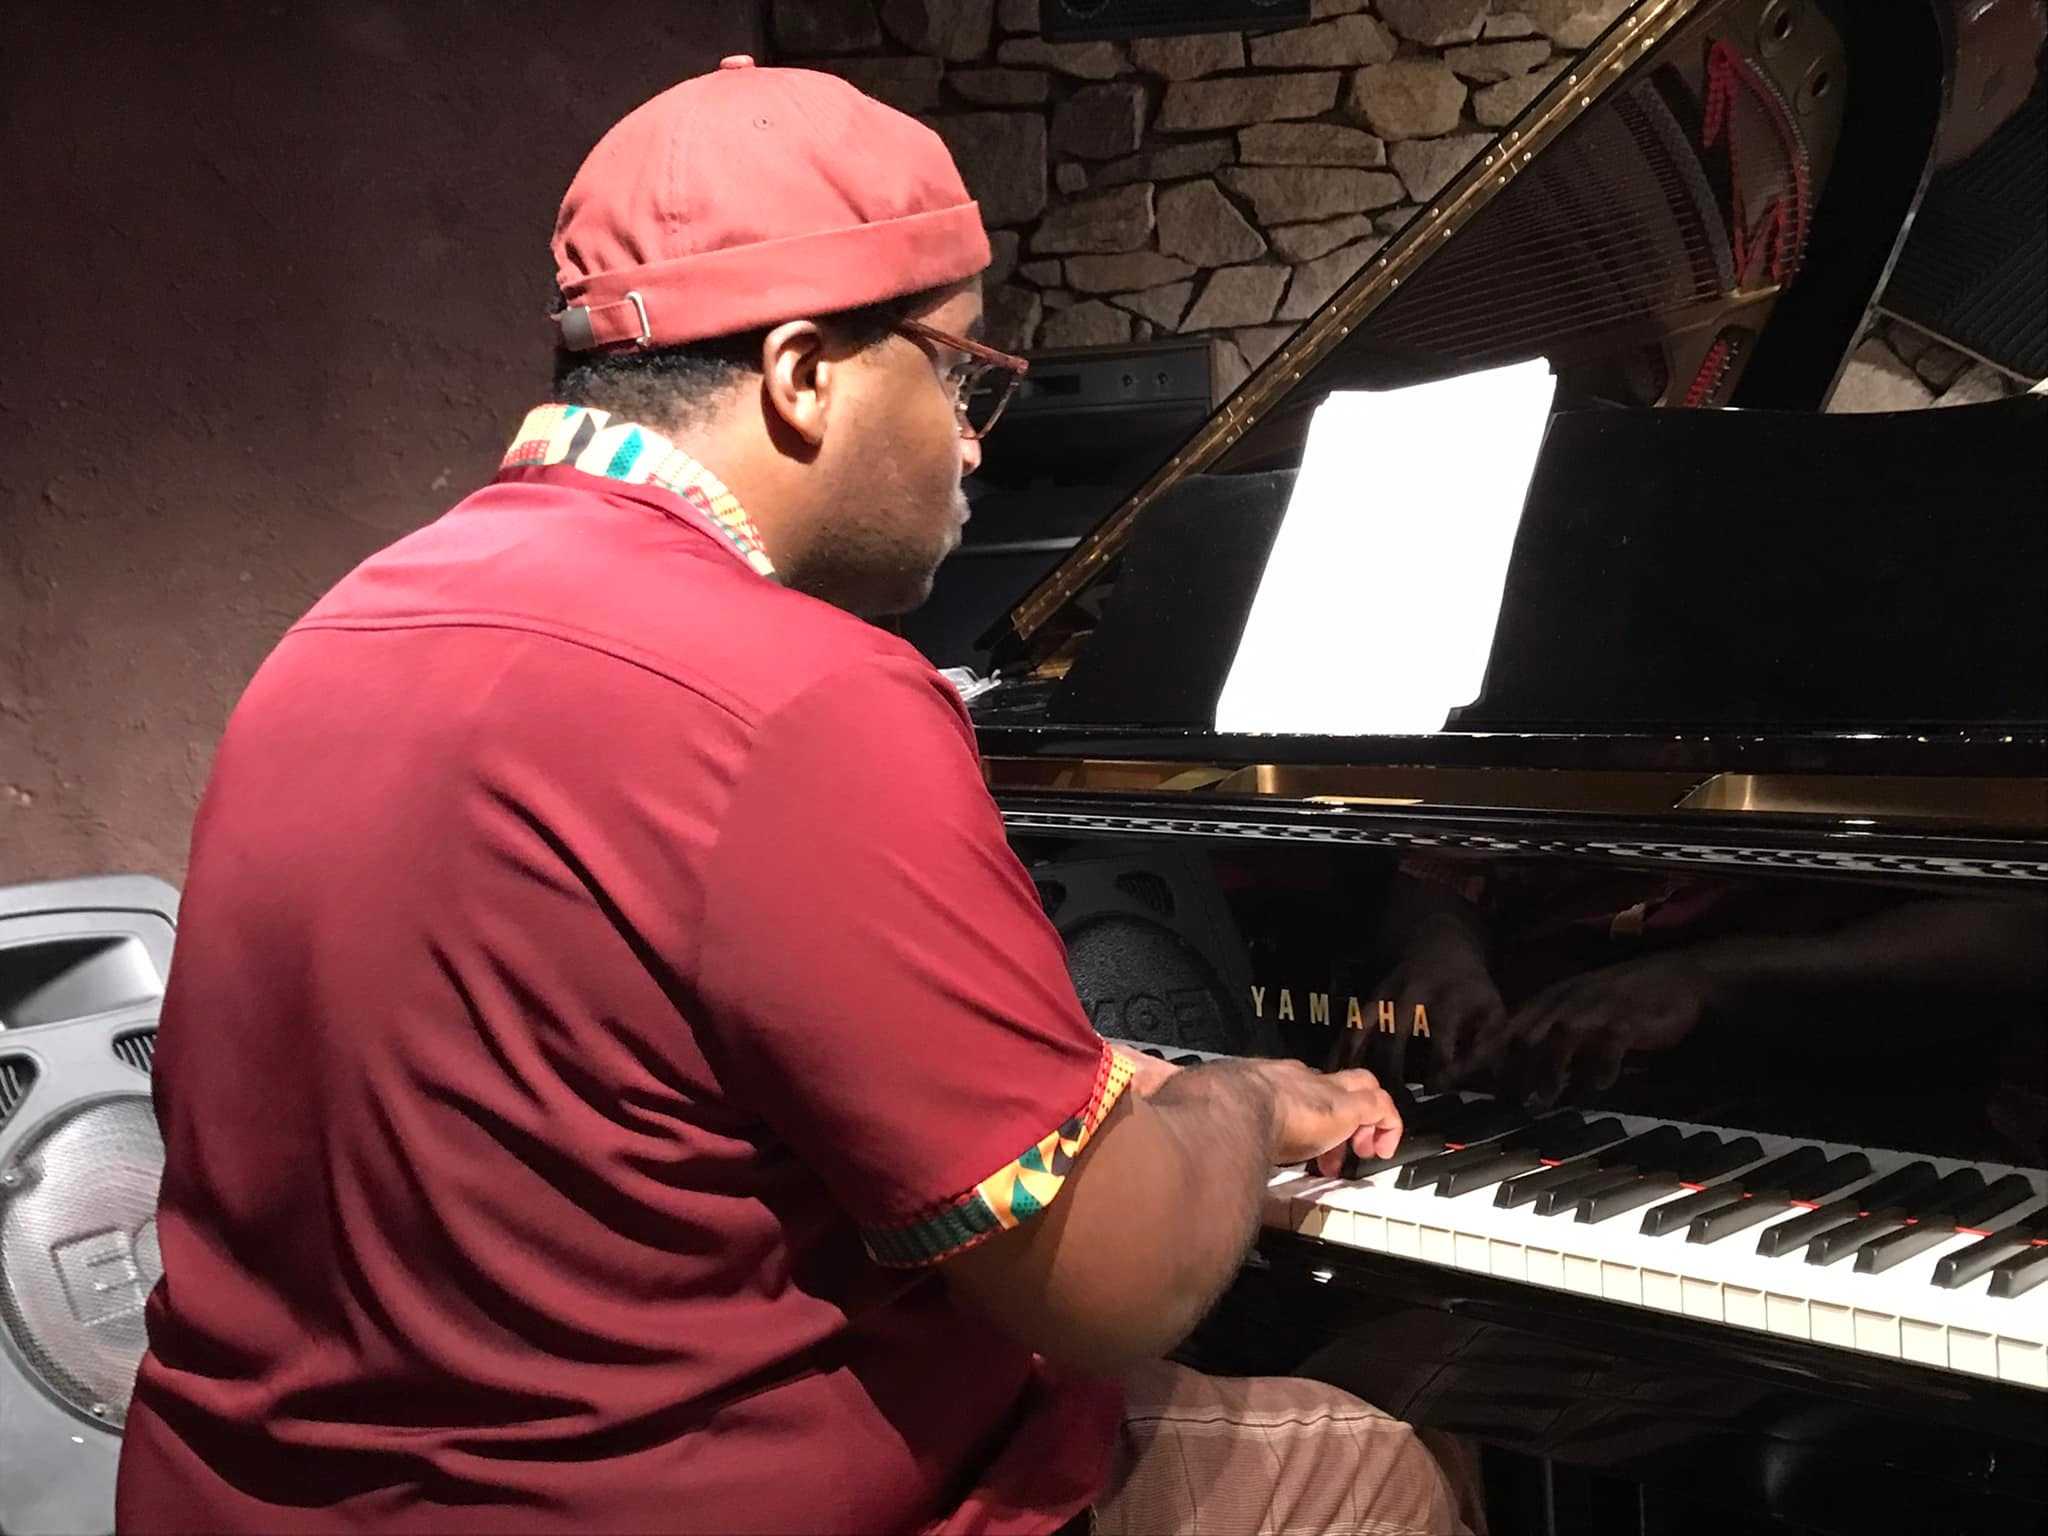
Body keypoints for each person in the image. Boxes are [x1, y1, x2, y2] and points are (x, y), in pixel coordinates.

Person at [117, 61, 1474, 1535]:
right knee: (1381, 1468)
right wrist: (1243, 1101)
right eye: (960, 374)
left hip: (249, 1500)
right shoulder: (804, 696)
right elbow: (1109, 1284)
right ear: (803, 374)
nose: (973, 439)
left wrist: (1078, 1089)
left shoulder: (339, 632)